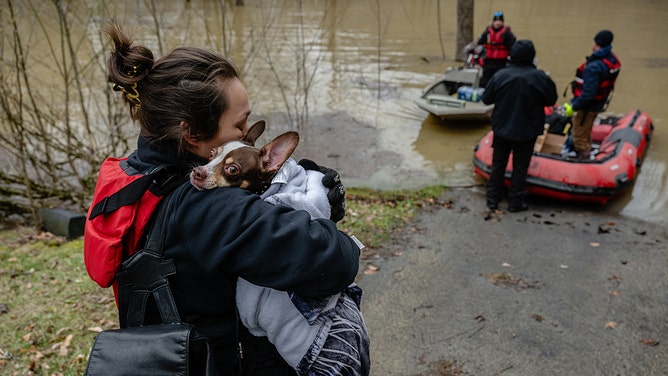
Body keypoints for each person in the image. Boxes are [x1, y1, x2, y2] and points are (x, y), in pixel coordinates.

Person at [83, 21, 359, 375]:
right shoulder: (208, 206)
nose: (247, 135)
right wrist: (314, 204)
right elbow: (335, 261)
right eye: (240, 125)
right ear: (192, 133)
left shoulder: (141, 176)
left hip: (166, 355)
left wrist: (273, 181)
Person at [481, 40, 558, 212]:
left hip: (502, 128)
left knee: (498, 164)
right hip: (527, 129)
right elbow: (551, 100)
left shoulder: (500, 75)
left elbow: (486, 99)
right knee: (520, 166)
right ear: (532, 56)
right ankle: (515, 202)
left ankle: (492, 200)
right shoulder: (540, 78)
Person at [563, 30, 621, 159]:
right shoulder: (611, 60)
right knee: (586, 131)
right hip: (598, 103)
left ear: (596, 43)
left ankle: (582, 160)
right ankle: (585, 151)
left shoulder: (594, 67)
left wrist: (574, 107)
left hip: (586, 107)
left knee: (579, 137)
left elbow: (588, 94)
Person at [476, 11, 516, 88]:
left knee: (500, 82)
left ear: (502, 22)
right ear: (493, 22)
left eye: (500, 21)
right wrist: (477, 62)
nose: (498, 23)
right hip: (488, 62)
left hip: (502, 63)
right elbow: (479, 47)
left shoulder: (507, 34)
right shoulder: (487, 33)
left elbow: (513, 48)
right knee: (485, 82)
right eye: (496, 21)